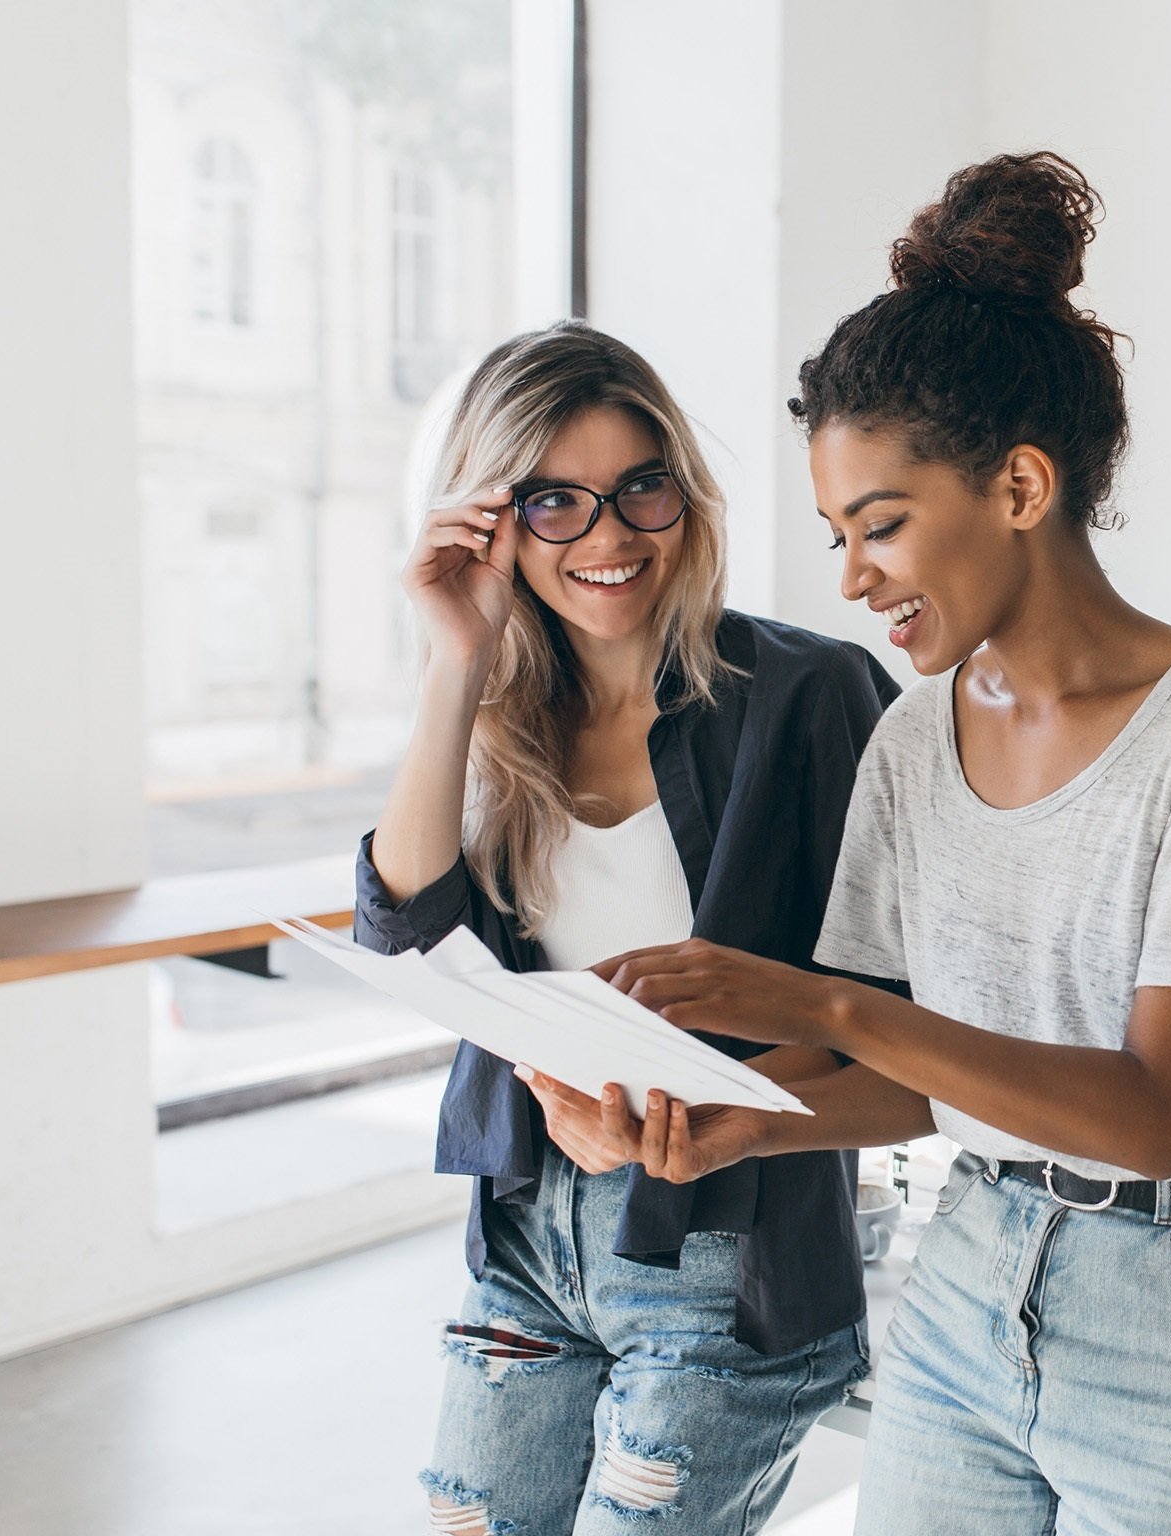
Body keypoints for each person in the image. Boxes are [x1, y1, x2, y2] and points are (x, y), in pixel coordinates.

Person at [591, 152, 1171, 1535]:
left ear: (1019, 486)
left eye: (881, 525)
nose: (852, 577)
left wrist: (817, 1006)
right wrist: (729, 1123)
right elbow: (925, 1087)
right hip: (973, 1270)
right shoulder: (910, 740)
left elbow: (1154, 1117)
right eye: (837, 534)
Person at [354, 320, 898, 1534]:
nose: (608, 538)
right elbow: (405, 940)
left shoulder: (809, 694)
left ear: (685, 497)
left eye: (641, 488)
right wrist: (455, 660)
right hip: (527, 1249)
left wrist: (700, 1116)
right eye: (554, 503)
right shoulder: (495, 718)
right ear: (493, 525)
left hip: (724, 1255)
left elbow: (890, 1007)